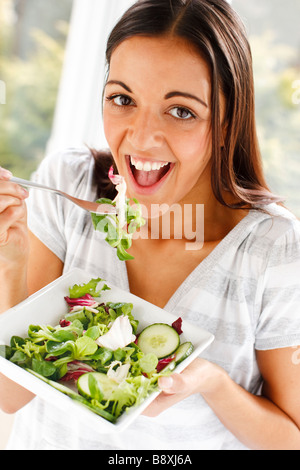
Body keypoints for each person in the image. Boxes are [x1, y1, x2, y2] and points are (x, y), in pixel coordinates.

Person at [1, 0, 300, 451]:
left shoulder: (272, 249)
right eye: (123, 99)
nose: (141, 138)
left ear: (226, 122)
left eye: (181, 111)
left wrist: (212, 383)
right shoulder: (68, 186)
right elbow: (11, 394)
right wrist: (10, 263)